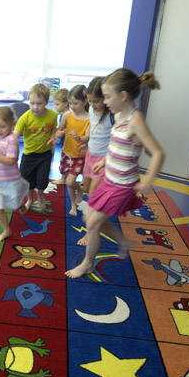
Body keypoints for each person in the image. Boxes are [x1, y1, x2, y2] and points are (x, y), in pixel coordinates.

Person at [65, 68, 165, 278]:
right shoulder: (119, 115)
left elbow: (157, 152)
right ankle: (124, 241)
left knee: (93, 224)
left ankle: (87, 264)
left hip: (123, 185)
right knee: (89, 217)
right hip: (109, 179)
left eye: (108, 96)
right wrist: (104, 161)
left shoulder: (135, 121)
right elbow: (118, 144)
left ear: (123, 96)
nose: (105, 101)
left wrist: (147, 180)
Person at [76, 76, 114, 245]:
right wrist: (87, 144)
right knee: (85, 188)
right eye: (90, 101)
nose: (92, 104)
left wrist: (107, 158)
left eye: (96, 101)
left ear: (106, 98)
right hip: (90, 155)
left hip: (103, 160)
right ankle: (100, 212)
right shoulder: (91, 110)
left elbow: (117, 139)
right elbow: (93, 129)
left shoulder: (112, 115)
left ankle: (89, 231)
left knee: (93, 196)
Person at [0, 107, 29, 242]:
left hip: (10, 179)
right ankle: (6, 230)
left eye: (2, 126)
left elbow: (11, 161)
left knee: (13, 203)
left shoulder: (12, 140)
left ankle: (20, 205)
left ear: (12, 123)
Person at [14, 83, 58, 214]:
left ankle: (39, 195)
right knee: (26, 181)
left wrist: (53, 137)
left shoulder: (52, 115)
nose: (35, 107)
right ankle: (30, 199)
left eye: (39, 103)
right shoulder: (25, 117)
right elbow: (16, 133)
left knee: (42, 181)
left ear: (46, 102)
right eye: (32, 103)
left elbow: (54, 128)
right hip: (29, 155)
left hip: (45, 154)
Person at [53, 84, 90, 216]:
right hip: (66, 153)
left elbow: (87, 137)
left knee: (70, 182)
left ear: (85, 101)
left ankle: (76, 198)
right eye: (70, 103)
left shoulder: (89, 119)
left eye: (75, 103)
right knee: (68, 181)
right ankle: (75, 199)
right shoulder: (67, 115)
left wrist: (79, 138)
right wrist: (58, 134)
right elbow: (59, 129)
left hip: (79, 156)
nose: (72, 106)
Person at [49, 88, 69, 185]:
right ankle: (64, 177)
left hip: (68, 143)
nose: (55, 107)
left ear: (65, 103)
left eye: (57, 104)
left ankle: (64, 178)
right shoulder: (63, 114)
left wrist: (61, 132)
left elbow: (67, 128)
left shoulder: (68, 114)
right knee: (66, 160)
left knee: (66, 160)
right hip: (65, 142)